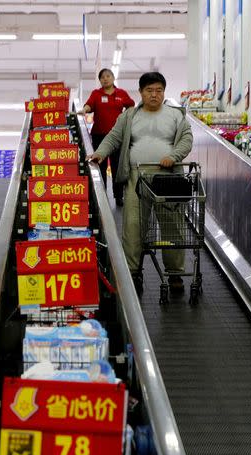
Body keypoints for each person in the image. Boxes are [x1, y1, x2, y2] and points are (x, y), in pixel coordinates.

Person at [88, 71, 193, 294]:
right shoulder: (129, 116)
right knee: (133, 225)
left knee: (172, 226)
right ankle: (133, 272)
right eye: (149, 90)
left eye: (159, 90)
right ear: (141, 93)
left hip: (168, 177)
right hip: (137, 177)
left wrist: (173, 157)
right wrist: (99, 153)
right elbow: (114, 137)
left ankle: (175, 273)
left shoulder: (176, 116)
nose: (154, 95)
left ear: (164, 92)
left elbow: (186, 139)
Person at [78, 68, 135, 206]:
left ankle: (118, 196)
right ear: (100, 80)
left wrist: (126, 119)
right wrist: (84, 110)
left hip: (117, 137)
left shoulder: (121, 93)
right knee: (100, 166)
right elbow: (89, 104)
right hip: (99, 136)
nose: (105, 79)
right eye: (102, 77)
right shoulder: (96, 94)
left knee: (117, 167)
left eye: (108, 76)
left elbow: (131, 105)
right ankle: (101, 195)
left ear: (113, 77)